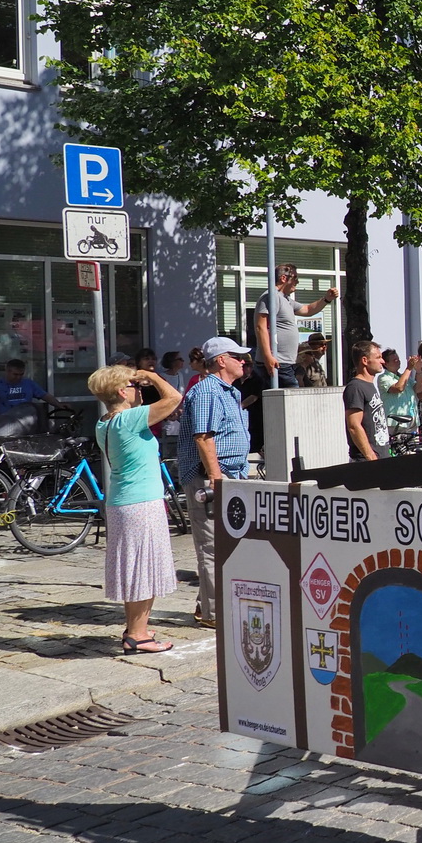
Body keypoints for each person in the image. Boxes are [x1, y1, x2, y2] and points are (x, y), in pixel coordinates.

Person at [89, 363, 184, 654]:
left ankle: (135, 629)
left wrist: (141, 383)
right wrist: (154, 376)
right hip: (141, 502)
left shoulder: (105, 421)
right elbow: (174, 399)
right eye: (135, 386)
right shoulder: (129, 419)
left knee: (135, 570)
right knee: (144, 570)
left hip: (122, 501)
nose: (139, 391)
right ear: (122, 391)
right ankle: (140, 635)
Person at [178, 337, 253, 628]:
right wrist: (216, 478)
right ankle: (213, 614)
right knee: (213, 546)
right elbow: (204, 437)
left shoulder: (228, 391)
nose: (243, 362)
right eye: (238, 357)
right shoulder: (208, 391)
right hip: (210, 477)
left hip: (229, 475)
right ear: (222, 360)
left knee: (227, 544)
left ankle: (206, 606)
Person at [254, 264, 339, 388]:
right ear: (283, 278)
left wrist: (326, 299)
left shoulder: (285, 299)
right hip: (277, 363)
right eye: (295, 278)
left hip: (285, 363)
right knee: (291, 402)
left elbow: (307, 309)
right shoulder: (270, 297)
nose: (297, 281)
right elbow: (260, 327)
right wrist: (268, 357)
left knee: (284, 403)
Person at [343, 341, 389, 461]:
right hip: (365, 462)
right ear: (365, 360)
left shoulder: (369, 385)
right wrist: (370, 456)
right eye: (378, 357)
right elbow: (354, 425)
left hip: (381, 457)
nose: (382, 361)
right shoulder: (355, 387)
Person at [377, 348, 419, 430]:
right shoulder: (383, 378)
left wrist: (420, 370)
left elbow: (418, 389)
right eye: (394, 360)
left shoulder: (404, 377)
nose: (398, 361)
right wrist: (409, 368)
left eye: (398, 359)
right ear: (386, 364)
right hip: (395, 423)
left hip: (412, 421)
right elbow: (399, 388)